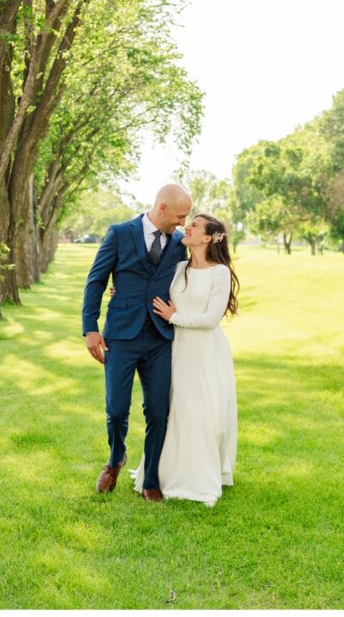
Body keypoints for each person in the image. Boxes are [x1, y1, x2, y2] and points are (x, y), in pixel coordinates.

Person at [82, 185, 192, 502]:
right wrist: (90, 328)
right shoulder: (119, 233)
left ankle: (152, 479)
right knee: (116, 410)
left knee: (159, 411)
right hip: (121, 336)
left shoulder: (178, 244)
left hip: (160, 338)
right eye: (180, 216)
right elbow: (97, 280)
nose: (183, 223)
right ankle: (116, 459)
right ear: (161, 208)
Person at [131, 214, 240, 507]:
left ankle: (199, 477)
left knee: (201, 412)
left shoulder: (220, 273)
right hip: (176, 348)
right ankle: (163, 474)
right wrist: (123, 292)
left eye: (194, 225)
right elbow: (150, 288)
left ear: (207, 238)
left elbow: (211, 318)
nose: (186, 227)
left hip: (204, 352)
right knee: (174, 409)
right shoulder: (179, 267)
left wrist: (174, 317)